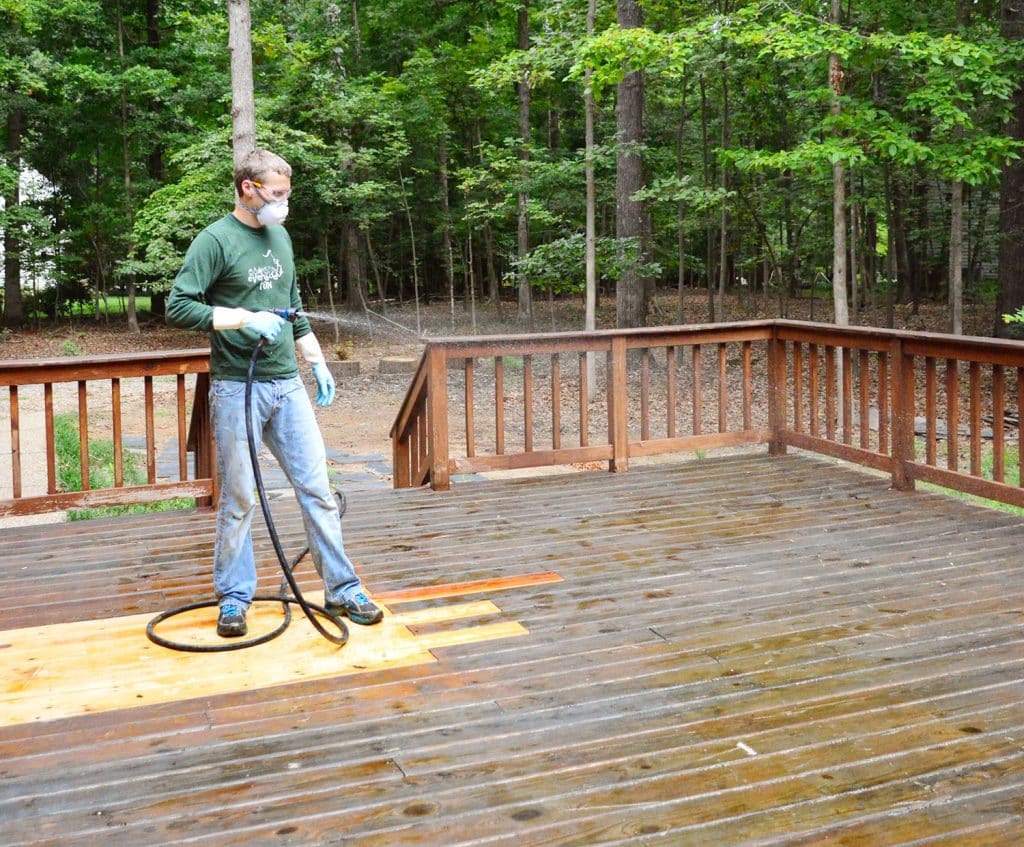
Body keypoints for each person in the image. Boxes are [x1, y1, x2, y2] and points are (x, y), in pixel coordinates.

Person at [166, 148, 382, 637]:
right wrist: (242, 318)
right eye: (277, 194)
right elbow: (178, 307)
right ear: (249, 188)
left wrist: (317, 361)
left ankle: (342, 588)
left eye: (286, 194)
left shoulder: (280, 237)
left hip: (287, 385)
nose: (284, 204)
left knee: (318, 490)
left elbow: (293, 305)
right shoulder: (215, 241)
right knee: (239, 498)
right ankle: (235, 597)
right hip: (237, 387)